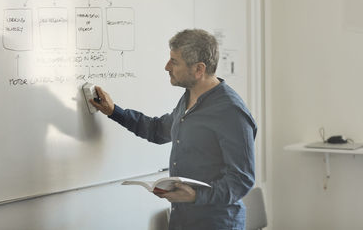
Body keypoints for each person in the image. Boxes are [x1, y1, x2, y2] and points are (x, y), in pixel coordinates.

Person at [90, 29, 256, 230]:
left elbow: (241, 180)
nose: (167, 67)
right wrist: (114, 111)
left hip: (217, 223)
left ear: (198, 69)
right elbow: (158, 129)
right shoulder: (189, 97)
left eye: (174, 62)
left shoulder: (231, 111)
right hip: (183, 219)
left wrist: (196, 195)